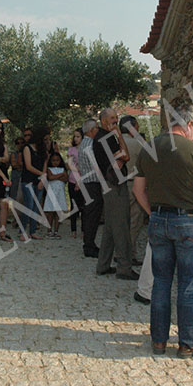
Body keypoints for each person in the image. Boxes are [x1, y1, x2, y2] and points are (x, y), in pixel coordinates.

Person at [132, 105, 193, 357]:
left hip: (159, 219)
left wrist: (153, 213)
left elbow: (138, 190)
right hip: (189, 220)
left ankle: (159, 341)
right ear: (189, 125)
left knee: (160, 283)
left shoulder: (149, 147)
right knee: (188, 284)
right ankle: (187, 343)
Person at [94, 108, 136, 280]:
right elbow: (126, 156)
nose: (115, 120)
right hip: (114, 185)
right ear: (104, 120)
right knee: (121, 226)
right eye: (112, 118)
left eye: (116, 117)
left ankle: (103, 265)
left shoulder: (103, 137)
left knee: (111, 227)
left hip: (110, 184)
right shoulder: (105, 138)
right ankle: (124, 268)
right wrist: (119, 134)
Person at [120, 115, 145, 264]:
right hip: (133, 183)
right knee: (134, 221)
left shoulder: (115, 143)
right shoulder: (137, 144)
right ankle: (129, 253)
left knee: (120, 221)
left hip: (116, 185)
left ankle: (119, 251)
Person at [77, 119, 102, 257]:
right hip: (93, 183)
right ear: (92, 130)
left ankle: (89, 243)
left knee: (89, 214)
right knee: (92, 215)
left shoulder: (83, 144)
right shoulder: (91, 145)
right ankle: (89, 245)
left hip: (86, 183)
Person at [20, 127, 49, 241]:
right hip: (28, 180)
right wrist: (42, 174)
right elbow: (28, 166)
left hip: (39, 180)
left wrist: (42, 179)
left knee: (36, 207)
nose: (47, 141)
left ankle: (32, 231)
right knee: (29, 205)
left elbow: (45, 164)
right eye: (45, 139)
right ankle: (23, 231)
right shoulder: (27, 148)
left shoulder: (43, 150)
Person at [43, 151, 68, 238]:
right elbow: (50, 177)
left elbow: (65, 178)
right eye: (53, 160)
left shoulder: (63, 169)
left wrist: (56, 176)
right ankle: (49, 231)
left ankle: (56, 231)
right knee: (50, 212)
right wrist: (60, 175)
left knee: (58, 213)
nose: (55, 162)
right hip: (51, 193)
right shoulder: (49, 169)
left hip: (60, 193)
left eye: (57, 160)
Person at [66, 128, 83, 238]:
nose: (76, 139)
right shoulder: (71, 150)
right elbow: (69, 164)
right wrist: (76, 169)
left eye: (78, 136)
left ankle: (84, 229)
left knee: (84, 206)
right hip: (72, 180)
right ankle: (73, 230)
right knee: (73, 206)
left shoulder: (86, 150)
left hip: (84, 180)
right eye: (75, 136)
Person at [9, 136, 25, 205]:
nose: (20, 144)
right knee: (14, 195)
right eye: (18, 143)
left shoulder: (27, 153)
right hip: (15, 177)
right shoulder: (13, 153)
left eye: (22, 142)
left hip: (24, 177)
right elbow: (14, 164)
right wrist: (21, 166)